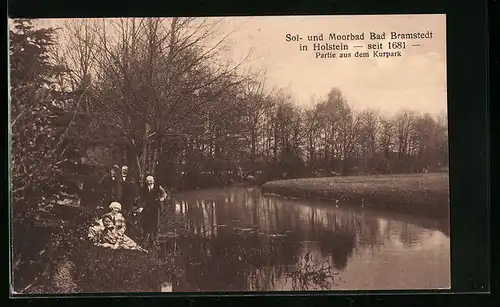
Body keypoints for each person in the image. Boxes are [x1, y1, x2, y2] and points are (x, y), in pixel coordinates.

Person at [139, 175, 167, 244]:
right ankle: (147, 238)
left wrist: (162, 198)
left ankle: (155, 238)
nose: (149, 182)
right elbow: (143, 198)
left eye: (151, 181)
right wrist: (142, 207)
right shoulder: (144, 188)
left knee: (156, 223)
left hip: (156, 207)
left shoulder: (158, 187)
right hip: (148, 207)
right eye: (148, 181)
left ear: (153, 180)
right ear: (146, 181)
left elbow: (164, 193)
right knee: (147, 222)